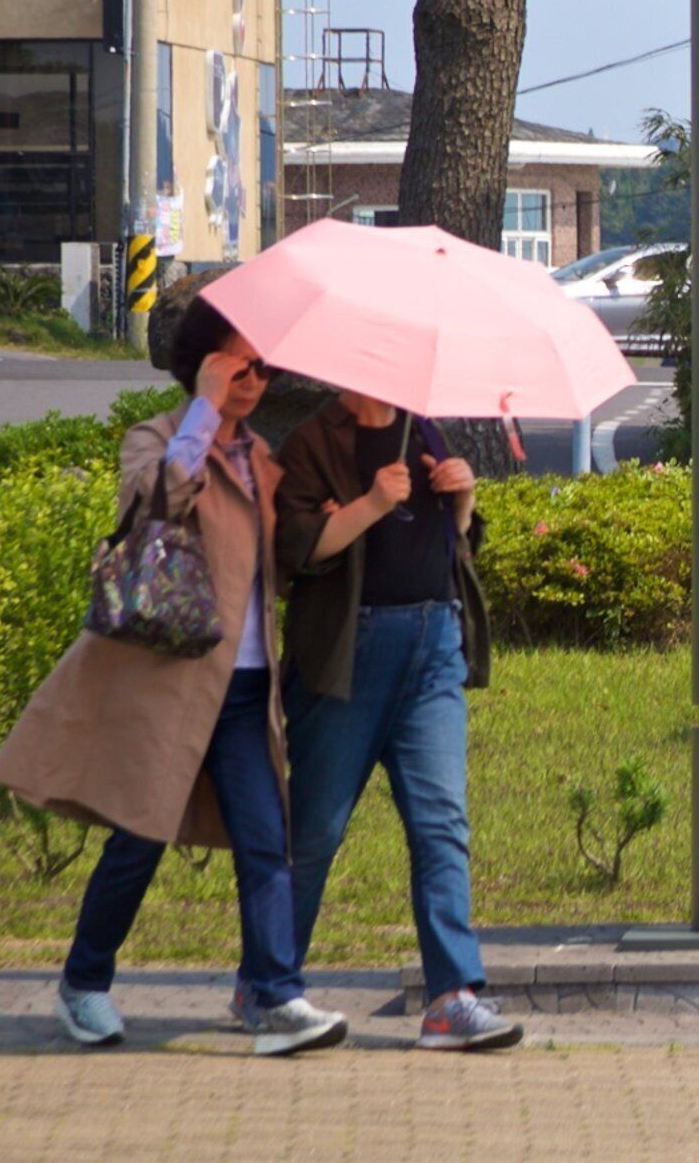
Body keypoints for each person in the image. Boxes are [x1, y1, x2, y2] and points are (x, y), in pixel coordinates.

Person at [0, 298, 348, 1056]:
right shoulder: (156, 439)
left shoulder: (261, 460)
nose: (256, 380)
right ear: (204, 364)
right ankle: (83, 985)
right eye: (240, 366)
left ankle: (276, 999)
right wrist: (204, 411)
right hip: (170, 685)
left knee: (265, 843)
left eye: (264, 368)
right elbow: (158, 501)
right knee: (137, 840)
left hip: (247, 689)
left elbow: (291, 559)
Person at [272, 385, 522, 1051]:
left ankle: (452, 996)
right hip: (347, 654)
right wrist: (371, 504)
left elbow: (453, 545)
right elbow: (295, 549)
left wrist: (462, 504)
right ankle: (270, 984)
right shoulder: (312, 442)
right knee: (316, 831)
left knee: (441, 821)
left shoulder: (426, 431)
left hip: (433, 646)